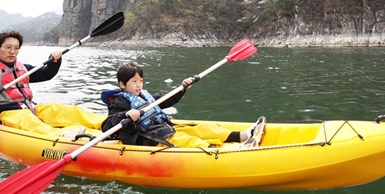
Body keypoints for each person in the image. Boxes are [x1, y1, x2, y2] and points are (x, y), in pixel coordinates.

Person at [0, 30, 103, 137]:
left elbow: (46, 74)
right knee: (29, 121)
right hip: (7, 113)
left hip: (30, 108)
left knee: (67, 110)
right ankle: (63, 137)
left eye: (16, 48)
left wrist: (55, 62)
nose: (13, 52)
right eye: (8, 48)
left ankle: (105, 123)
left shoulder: (22, 68)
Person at [100, 62, 266, 148]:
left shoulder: (143, 95)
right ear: (122, 84)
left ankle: (243, 135)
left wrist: (182, 88)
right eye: (134, 81)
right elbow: (108, 124)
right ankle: (225, 152)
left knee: (200, 129)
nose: (139, 85)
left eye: (141, 81)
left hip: (162, 127)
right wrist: (126, 115)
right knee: (185, 140)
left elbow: (166, 99)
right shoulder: (120, 101)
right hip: (146, 136)